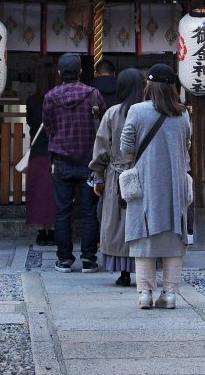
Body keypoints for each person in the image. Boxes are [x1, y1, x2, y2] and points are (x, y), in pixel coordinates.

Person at [119, 63, 193, 310]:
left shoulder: (137, 111)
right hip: (175, 184)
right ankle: (170, 295)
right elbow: (187, 145)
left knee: (143, 239)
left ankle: (144, 295)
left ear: (149, 84)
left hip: (145, 182)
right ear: (173, 87)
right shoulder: (183, 114)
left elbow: (126, 147)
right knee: (173, 241)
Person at [43, 52, 107, 272]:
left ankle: (64, 259)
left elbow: (48, 128)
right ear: (80, 72)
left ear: (59, 72)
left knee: (62, 212)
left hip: (61, 161)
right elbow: (103, 128)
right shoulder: (93, 95)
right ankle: (89, 259)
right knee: (90, 212)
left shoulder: (50, 96)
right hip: (90, 163)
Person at [89, 67, 148, 287]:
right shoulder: (149, 112)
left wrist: (98, 175)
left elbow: (102, 146)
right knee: (142, 223)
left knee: (117, 225)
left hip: (117, 176)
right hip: (144, 174)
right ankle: (145, 267)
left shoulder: (113, 113)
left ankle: (122, 272)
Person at [23, 61, 58, 246]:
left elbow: (30, 122)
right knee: (53, 193)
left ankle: (40, 232)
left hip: (37, 151)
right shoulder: (59, 100)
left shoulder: (32, 101)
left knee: (37, 193)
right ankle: (52, 230)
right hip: (56, 151)